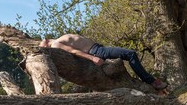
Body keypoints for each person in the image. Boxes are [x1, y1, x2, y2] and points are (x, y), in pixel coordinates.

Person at [39, 34, 168, 90]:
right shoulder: (55, 44)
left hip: (98, 48)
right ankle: (151, 81)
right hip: (96, 52)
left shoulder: (57, 40)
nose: (41, 41)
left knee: (125, 59)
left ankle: (147, 82)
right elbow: (73, 51)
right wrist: (92, 58)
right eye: (41, 45)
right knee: (130, 54)